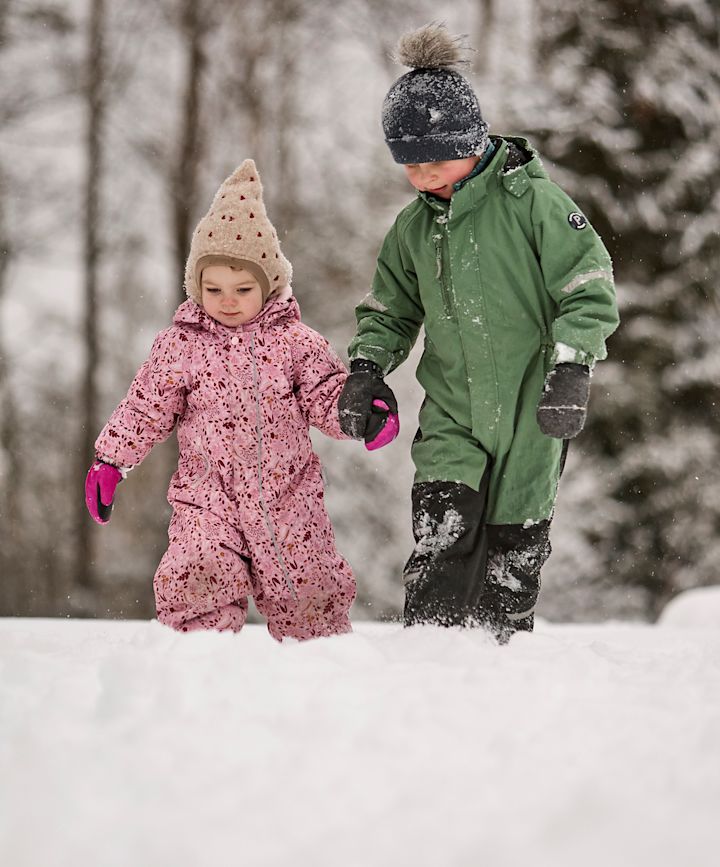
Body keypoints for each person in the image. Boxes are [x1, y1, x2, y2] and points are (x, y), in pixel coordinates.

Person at [338, 23, 620, 641]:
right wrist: (366, 368)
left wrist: (572, 365)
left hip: (530, 403)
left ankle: (502, 655)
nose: (421, 176)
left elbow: (587, 284)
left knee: (514, 541)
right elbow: (388, 309)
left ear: (470, 139)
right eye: (408, 164)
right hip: (454, 408)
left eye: (434, 160)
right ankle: (431, 649)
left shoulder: (536, 206)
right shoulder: (412, 230)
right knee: (444, 525)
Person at [85, 159, 358, 641]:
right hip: (207, 495)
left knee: (309, 586)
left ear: (269, 286)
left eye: (242, 289)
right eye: (213, 289)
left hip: (288, 496)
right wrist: (111, 459)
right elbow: (146, 407)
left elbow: (326, 396)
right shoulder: (180, 345)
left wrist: (359, 415)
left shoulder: (297, 343)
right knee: (198, 571)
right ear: (196, 285)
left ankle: (319, 670)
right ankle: (199, 663)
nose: (227, 300)